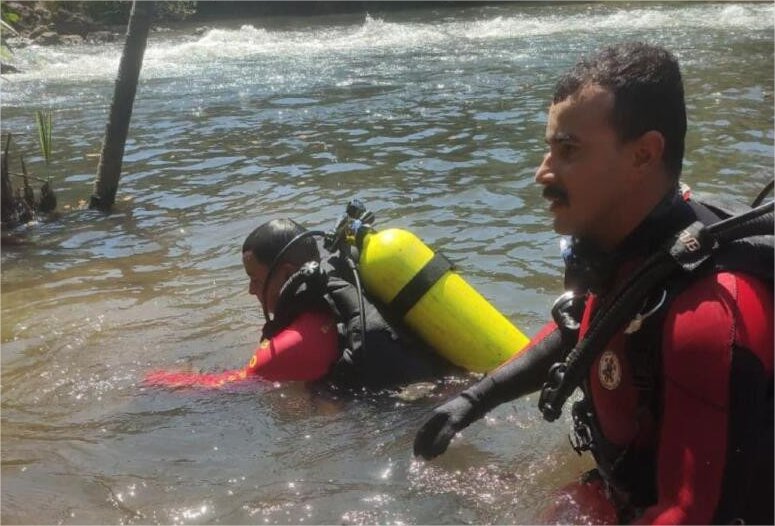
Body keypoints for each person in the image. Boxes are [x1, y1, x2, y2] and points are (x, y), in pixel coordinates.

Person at [413, 42, 773, 524]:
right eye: (549, 148)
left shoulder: (711, 316)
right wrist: (478, 398)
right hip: (624, 488)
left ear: (643, 155)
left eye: (568, 151)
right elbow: (585, 327)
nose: (542, 173)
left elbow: (689, 514)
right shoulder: (629, 251)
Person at [146, 218, 453, 391]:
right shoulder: (347, 289)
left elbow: (225, 389)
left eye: (255, 279)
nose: (251, 290)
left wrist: (157, 381)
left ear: (288, 274)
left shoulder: (288, 348)